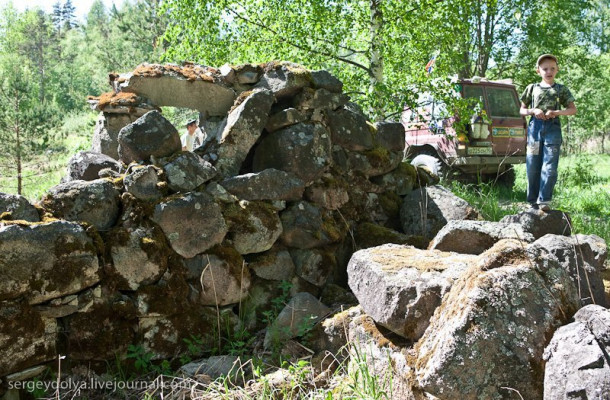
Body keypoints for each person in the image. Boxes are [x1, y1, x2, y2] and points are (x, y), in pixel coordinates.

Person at [519, 54, 577, 211]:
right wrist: (533, 110)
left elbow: (572, 110)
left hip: (553, 130)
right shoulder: (531, 88)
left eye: (552, 68)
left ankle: (545, 201)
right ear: (538, 71)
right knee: (532, 166)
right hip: (534, 131)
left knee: (549, 167)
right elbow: (521, 110)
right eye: (545, 69)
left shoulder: (561, 89)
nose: (549, 71)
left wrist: (557, 112)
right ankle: (532, 202)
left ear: (557, 69)